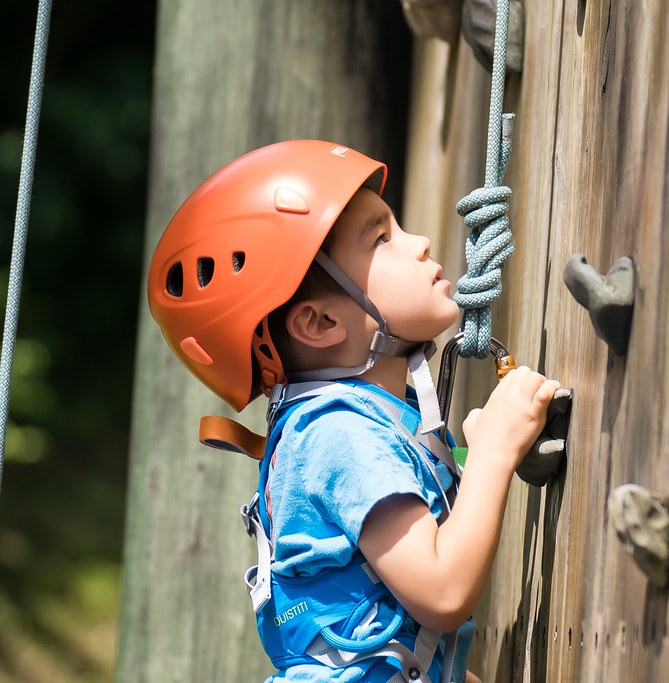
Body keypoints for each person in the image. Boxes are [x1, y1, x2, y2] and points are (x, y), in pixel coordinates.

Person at [147, 139, 560, 682]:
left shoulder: (351, 423)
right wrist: (494, 452)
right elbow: (442, 591)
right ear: (319, 324)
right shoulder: (339, 435)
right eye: (383, 239)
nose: (420, 243)